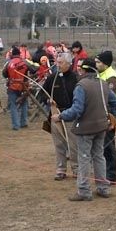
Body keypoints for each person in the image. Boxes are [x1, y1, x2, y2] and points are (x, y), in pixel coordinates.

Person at [52, 58, 116, 201]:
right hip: (101, 127)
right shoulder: (103, 84)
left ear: (83, 70)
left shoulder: (81, 86)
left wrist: (61, 116)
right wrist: (111, 119)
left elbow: (77, 109)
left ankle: (84, 191)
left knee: (84, 158)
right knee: (99, 156)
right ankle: (103, 188)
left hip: (85, 128)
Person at [42, 52, 79, 180]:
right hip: (55, 115)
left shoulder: (76, 78)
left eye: (61, 63)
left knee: (73, 144)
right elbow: (43, 93)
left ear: (69, 64)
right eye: (57, 62)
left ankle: (76, 169)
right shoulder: (52, 78)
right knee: (59, 144)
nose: (58, 65)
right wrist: (48, 100)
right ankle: (60, 170)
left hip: (71, 115)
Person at [95, 50, 116, 184]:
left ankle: (111, 174)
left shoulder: (111, 77)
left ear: (105, 63)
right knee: (102, 146)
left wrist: (111, 120)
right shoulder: (101, 74)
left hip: (110, 116)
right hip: (101, 115)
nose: (96, 64)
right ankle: (105, 172)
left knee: (108, 146)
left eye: (98, 62)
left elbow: (110, 99)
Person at [3, 46, 30, 130]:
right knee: (24, 103)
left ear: (12, 54)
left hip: (12, 86)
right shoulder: (24, 62)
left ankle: (16, 125)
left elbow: (4, 74)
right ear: (19, 54)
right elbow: (33, 69)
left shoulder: (9, 63)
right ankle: (24, 122)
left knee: (13, 105)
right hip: (23, 86)